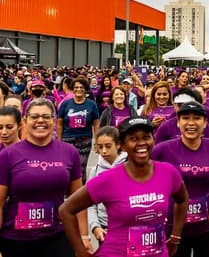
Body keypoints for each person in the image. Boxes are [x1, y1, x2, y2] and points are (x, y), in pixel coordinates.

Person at [59, 116, 188, 257]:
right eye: (133, 139)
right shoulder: (108, 179)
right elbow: (66, 210)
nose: (142, 143)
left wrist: (175, 237)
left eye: (146, 137)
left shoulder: (168, 172)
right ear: (122, 144)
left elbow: (182, 199)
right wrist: (80, 250)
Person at [0, 98, 88, 256]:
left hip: (57, 235)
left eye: (46, 116)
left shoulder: (69, 152)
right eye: (34, 117)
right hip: (16, 240)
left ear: (54, 121)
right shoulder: (8, 155)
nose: (40, 120)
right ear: (25, 121)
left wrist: (84, 235)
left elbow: (78, 200)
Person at [152, 102, 209, 257]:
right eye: (185, 118)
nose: (191, 123)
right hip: (173, 229)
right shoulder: (162, 150)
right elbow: (139, 178)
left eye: (197, 118)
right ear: (178, 122)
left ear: (205, 122)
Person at [87, 126, 127, 244]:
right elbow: (90, 204)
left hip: (128, 228)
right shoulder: (95, 171)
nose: (103, 151)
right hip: (105, 229)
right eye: (100, 147)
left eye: (108, 146)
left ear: (118, 144)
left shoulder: (130, 167)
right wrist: (95, 227)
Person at [57, 77, 100, 182]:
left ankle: (81, 192)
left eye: (81, 87)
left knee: (81, 167)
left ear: (85, 89)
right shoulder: (66, 104)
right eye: (76, 87)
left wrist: (98, 142)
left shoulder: (92, 104)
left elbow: (96, 124)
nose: (79, 89)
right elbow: (59, 124)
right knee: (67, 166)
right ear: (73, 89)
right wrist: (58, 141)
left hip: (85, 139)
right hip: (67, 139)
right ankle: (67, 192)